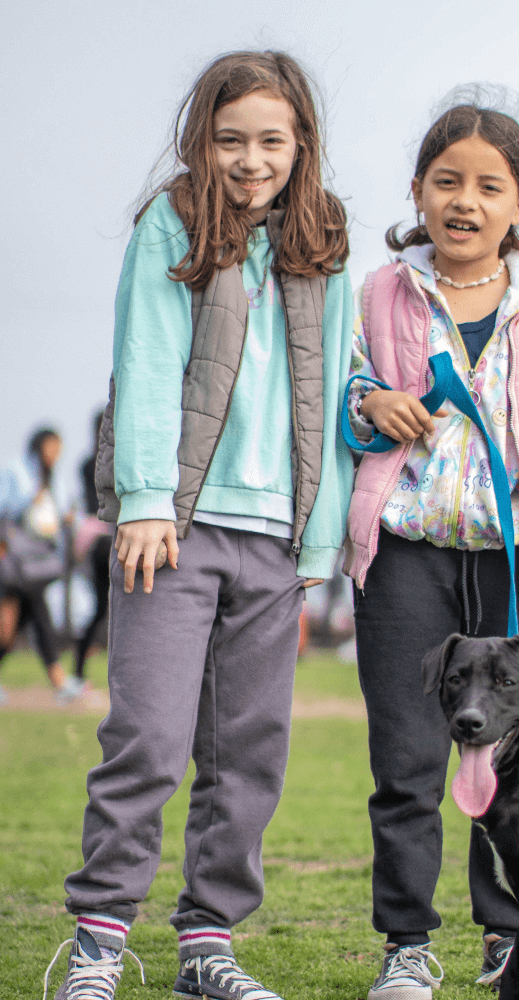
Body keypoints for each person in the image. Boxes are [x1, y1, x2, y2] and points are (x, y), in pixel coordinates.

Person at [44, 50, 354, 1000]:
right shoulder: (172, 224)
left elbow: (337, 377)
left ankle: (207, 947)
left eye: (271, 140)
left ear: (302, 143)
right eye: (230, 140)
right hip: (172, 530)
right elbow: (143, 358)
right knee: (146, 735)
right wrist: (142, 499)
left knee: (249, 751)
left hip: (276, 540)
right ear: (201, 141)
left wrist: (319, 541)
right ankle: (98, 945)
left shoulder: (324, 238)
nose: (251, 159)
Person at [342, 96, 519, 1000]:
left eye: (488, 187)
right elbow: (339, 385)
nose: (465, 201)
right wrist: (367, 402)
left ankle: (507, 936)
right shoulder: (382, 291)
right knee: (407, 758)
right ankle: (406, 946)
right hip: (406, 557)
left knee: (512, 759)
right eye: (446, 181)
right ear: (418, 192)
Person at [0, 427, 82, 703]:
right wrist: (29, 501)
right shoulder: (17, 471)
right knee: (24, 620)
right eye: (52, 447)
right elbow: (5, 510)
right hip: (14, 560)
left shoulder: (55, 478)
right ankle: (58, 679)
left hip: (36, 562)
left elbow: (55, 517)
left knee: (15, 624)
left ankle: (59, 680)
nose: (56, 454)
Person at [72, 411, 114, 683]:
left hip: (92, 540)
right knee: (115, 607)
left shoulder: (87, 462)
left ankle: (77, 671)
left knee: (100, 608)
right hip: (108, 538)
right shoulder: (108, 460)